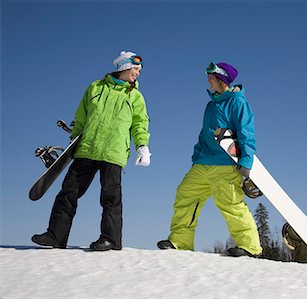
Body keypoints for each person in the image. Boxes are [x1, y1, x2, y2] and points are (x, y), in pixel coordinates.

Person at [32, 51, 151, 251]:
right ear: (124, 67)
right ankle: (55, 236)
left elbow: (140, 124)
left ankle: (110, 240)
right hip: (87, 149)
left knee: (110, 198)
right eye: (136, 68)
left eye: (140, 70)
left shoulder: (135, 96)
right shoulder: (95, 88)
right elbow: (81, 116)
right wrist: (74, 140)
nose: (138, 73)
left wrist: (142, 146)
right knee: (68, 192)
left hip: (114, 152)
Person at [157, 62, 262, 257]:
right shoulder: (211, 105)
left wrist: (246, 162)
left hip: (225, 165)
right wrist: (197, 155)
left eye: (211, 76)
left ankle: (250, 247)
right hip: (203, 163)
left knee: (230, 204)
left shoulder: (237, 102)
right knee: (185, 194)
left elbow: (247, 132)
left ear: (221, 78)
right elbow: (204, 134)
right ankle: (180, 241)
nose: (207, 80)